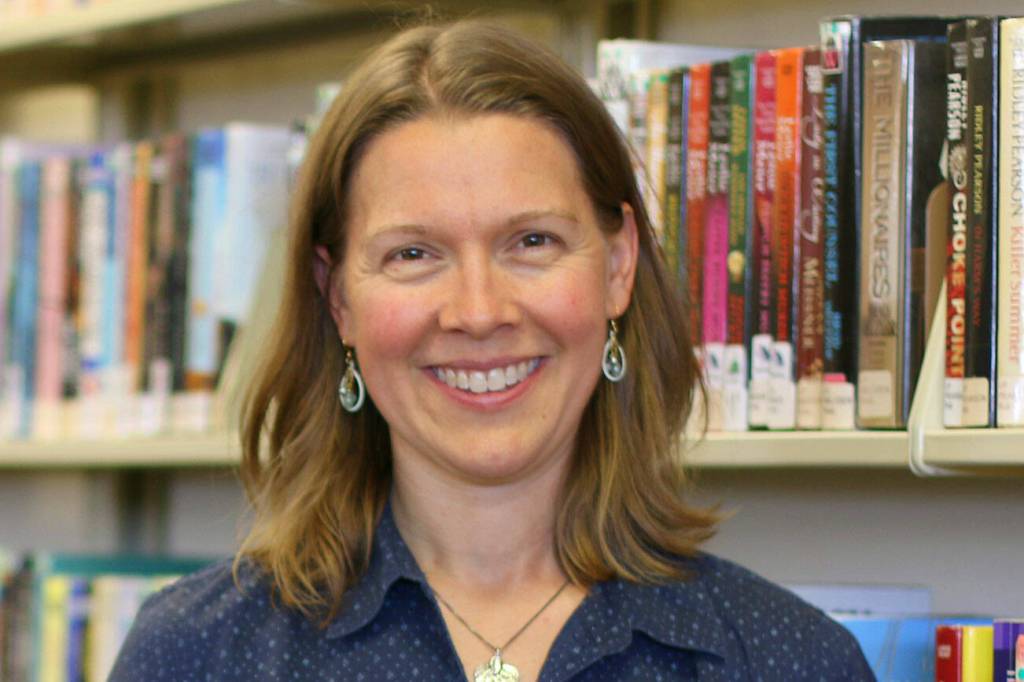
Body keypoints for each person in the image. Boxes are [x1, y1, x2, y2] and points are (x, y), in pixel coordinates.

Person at [110, 20, 874, 682]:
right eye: (414, 254)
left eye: (532, 241)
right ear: (338, 298)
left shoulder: (789, 660)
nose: (479, 313)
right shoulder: (198, 655)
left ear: (617, 268)